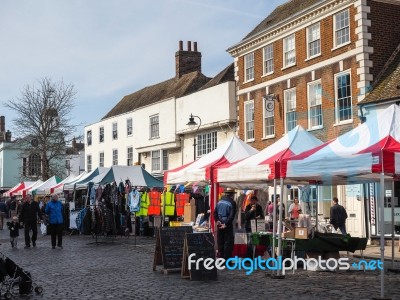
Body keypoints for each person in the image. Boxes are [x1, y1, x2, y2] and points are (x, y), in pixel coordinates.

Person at [214, 187, 237, 260]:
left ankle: (221, 258)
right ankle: (227, 259)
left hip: (219, 222)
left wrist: (217, 220)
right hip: (227, 223)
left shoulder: (219, 201)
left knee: (220, 241)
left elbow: (215, 213)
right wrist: (226, 224)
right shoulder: (232, 202)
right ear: (232, 195)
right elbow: (231, 215)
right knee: (228, 242)